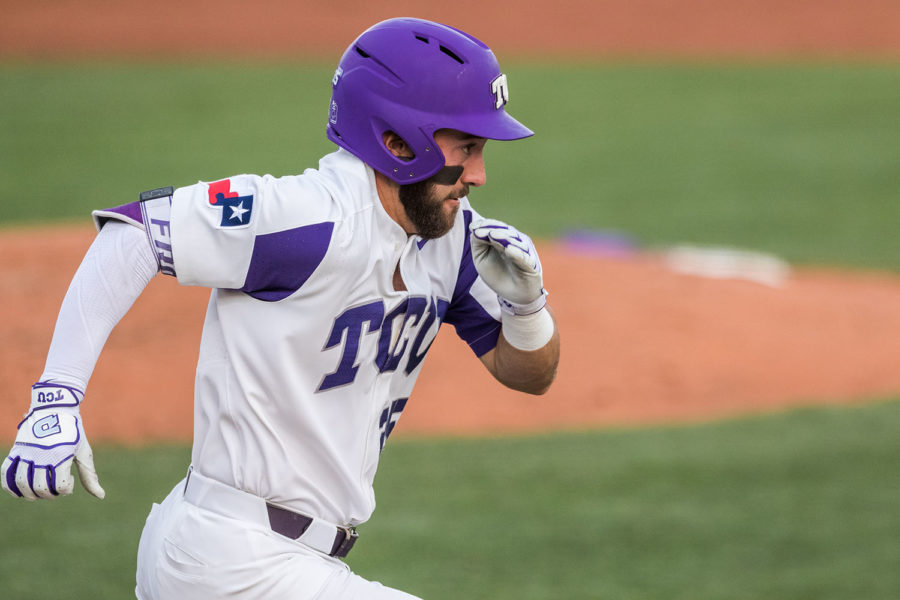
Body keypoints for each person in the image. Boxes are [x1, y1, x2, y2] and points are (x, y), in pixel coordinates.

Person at [2, 17, 560, 599]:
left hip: (284, 563)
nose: (479, 175)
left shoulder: (451, 238)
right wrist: (56, 397)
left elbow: (527, 374)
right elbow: (134, 236)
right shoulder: (305, 219)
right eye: (465, 148)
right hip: (228, 557)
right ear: (397, 142)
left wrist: (527, 307)